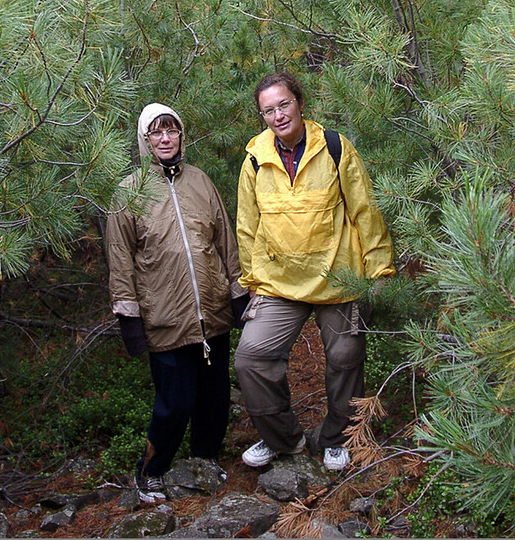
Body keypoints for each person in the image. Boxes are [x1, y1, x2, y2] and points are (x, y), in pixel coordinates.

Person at [234, 72, 394, 472]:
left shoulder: (335, 148)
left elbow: (364, 212)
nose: (277, 115)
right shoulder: (255, 159)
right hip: (278, 281)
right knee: (251, 359)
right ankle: (283, 439)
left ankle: (337, 438)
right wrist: (252, 281)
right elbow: (247, 225)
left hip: (338, 277)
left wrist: (378, 273)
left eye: (283, 104)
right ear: (262, 116)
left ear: (300, 103)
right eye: (268, 110)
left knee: (345, 355)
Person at [106, 103, 248, 503]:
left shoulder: (201, 182)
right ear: (145, 141)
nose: (165, 139)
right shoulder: (128, 192)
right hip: (165, 317)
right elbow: (119, 260)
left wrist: (237, 294)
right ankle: (152, 471)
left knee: (214, 395)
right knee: (174, 400)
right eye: (156, 133)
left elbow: (225, 243)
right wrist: (129, 319)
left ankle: (204, 458)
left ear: (181, 135)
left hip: (213, 313)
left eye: (171, 131)